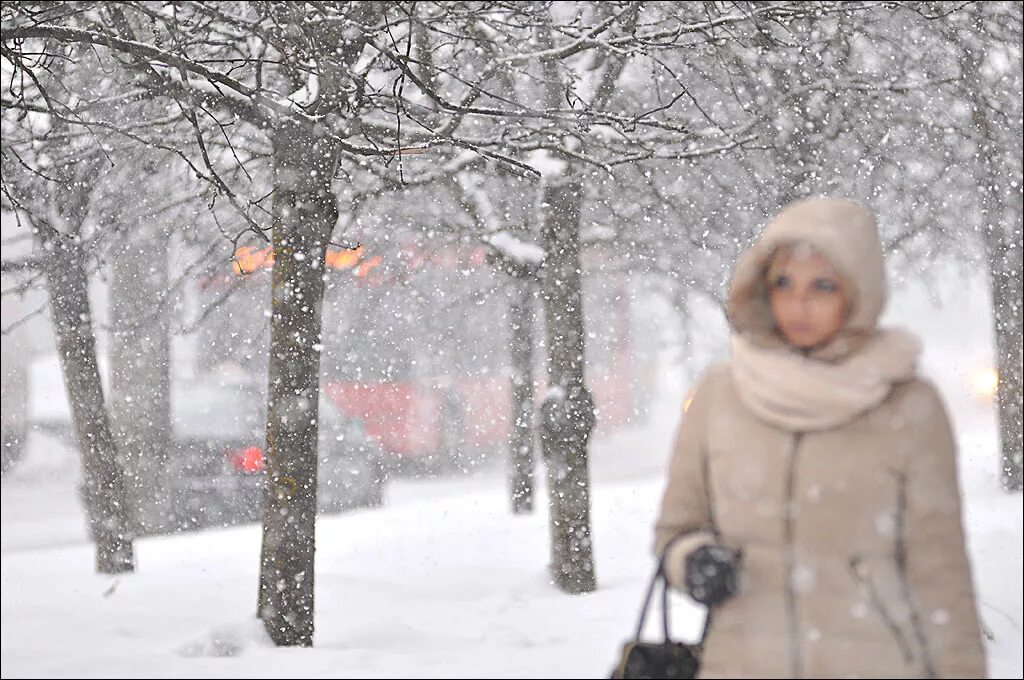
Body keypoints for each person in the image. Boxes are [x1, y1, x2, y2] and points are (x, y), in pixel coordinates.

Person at [654, 197, 987, 678]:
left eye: (822, 285)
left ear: (858, 291)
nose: (799, 303)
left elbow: (941, 574)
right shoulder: (720, 397)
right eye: (783, 283)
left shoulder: (908, 405)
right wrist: (693, 561)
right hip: (743, 664)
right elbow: (675, 532)